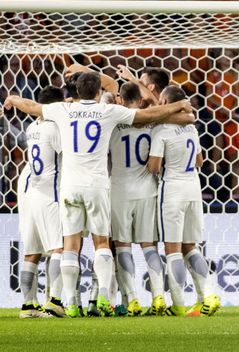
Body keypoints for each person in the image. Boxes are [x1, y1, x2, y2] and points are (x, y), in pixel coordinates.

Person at [3, 73, 194, 317]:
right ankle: (104, 298)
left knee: (70, 245)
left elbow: (33, 107)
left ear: (77, 92)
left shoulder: (62, 109)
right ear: (96, 92)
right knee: (102, 243)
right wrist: (178, 105)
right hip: (98, 186)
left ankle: (70, 304)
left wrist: (13, 98)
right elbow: (148, 115)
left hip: (69, 186)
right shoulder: (108, 111)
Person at [147, 86, 220, 317]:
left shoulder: (161, 131)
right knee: (191, 246)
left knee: (173, 250)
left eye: (161, 100)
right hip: (193, 188)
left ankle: (177, 304)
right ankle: (209, 295)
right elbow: (199, 161)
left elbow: (154, 167)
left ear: (168, 102)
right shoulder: (191, 129)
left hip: (173, 190)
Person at [108, 82, 166, 317]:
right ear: (140, 101)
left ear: (120, 100)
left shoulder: (111, 125)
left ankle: (132, 300)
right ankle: (159, 297)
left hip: (120, 192)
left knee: (122, 246)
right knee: (149, 247)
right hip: (147, 191)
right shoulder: (153, 124)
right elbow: (158, 104)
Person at [17, 86, 65, 318]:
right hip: (50, 194)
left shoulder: (31, 126)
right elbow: (67, 154)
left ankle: (28, 305)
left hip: (31, 194)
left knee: (32, 251)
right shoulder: (54, 127)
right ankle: (54, 301)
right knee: (60, 247)